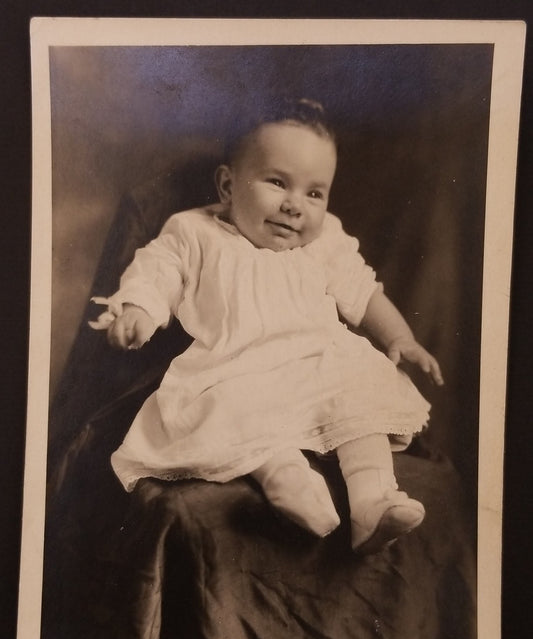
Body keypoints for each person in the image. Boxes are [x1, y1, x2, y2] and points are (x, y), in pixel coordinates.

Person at [90, 98, 443, 555]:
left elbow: (362, 289)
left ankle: (373, 503)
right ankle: (288, 479)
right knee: (233, 409)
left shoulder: (326, 240)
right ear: (227, 184)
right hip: (236, 365)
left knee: (362, 395)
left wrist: (400, 337)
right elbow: (159, 270)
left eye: (314, 193)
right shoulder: (195, 232)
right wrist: (138, 309)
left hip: (320, 361)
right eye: (278, 182)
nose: (295, 206)